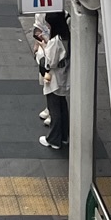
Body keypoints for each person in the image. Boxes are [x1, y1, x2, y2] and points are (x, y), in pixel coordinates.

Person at [39, 11, 69, 151]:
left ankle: (54, 139)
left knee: (54, 108)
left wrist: (44, 48)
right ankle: (64, 136)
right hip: (63, 76)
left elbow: (49, 63)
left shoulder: (55, 42)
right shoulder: (66, 37)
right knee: (62, 106)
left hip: (54, 78)